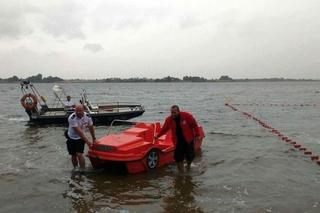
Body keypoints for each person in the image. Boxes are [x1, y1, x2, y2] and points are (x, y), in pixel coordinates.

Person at [154, 105, 201, 172]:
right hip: (178, 142)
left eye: (174, 112)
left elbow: (195, 125)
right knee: (178, 158)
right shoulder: (169, 120)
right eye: (171, 112)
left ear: (178, 111)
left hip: (188, 140)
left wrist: (198, 135)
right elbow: (164, 129)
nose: (173, 114)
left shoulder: (187, 116)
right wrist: (157, 136)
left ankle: (188, 166)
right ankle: (181, 172)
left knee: (190, 156)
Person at [66, 104, 96, 171]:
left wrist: (94, 138)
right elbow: (79, 132)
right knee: (73, 154)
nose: (78, 112)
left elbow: (91, 128)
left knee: (79, 154)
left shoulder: (88, 116)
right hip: (71, 137)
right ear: (75, 111)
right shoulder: (72, 118)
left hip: (80, 138)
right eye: (77, 111)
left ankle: (82, 169)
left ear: (84, 110)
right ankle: (75, 168)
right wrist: (87, 141)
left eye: (80, 110)